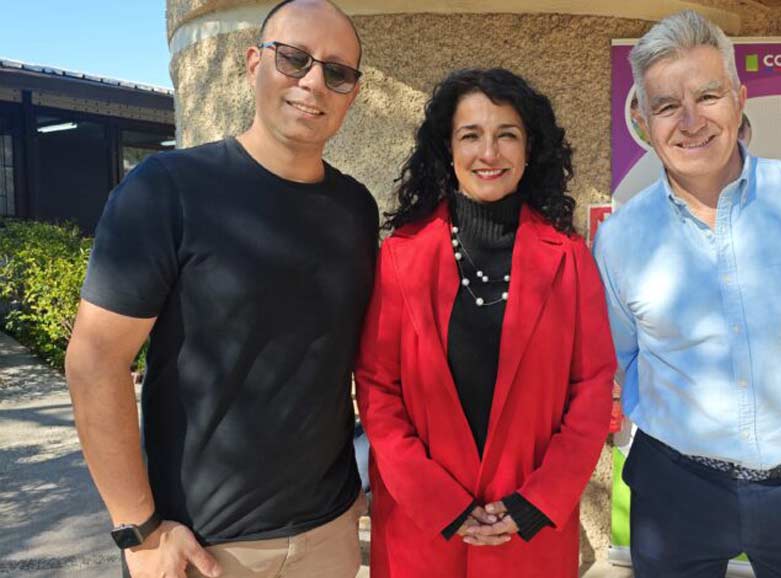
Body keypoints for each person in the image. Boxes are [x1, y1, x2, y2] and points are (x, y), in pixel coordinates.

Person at [65, 1, 377, 577]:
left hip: (329, 534)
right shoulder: (167, 190)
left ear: (352, 94)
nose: (314, 82)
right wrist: (140, 531)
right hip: (204, 548)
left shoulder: (356, 209)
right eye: (295, 58)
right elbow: (94, 361)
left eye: (337, 71)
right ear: (254, 62)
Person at [593, 10, 781, 578]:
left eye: (708, 95)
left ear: (739, 100)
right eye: (666, 106)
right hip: (675, 489)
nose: (690, 121)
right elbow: (623, 357)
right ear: (645, 123)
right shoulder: (621, 239)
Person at [355, 68, 615, 578]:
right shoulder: (400, 257)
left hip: (527, 537)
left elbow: (591, 388)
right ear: (448, 150)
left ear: (529, 150)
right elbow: (377, 389)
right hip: (421, 535)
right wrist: (438, 502)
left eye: (507, 135)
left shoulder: (569, 258)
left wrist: (537, 502)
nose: (489, 153)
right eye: (471, 135)